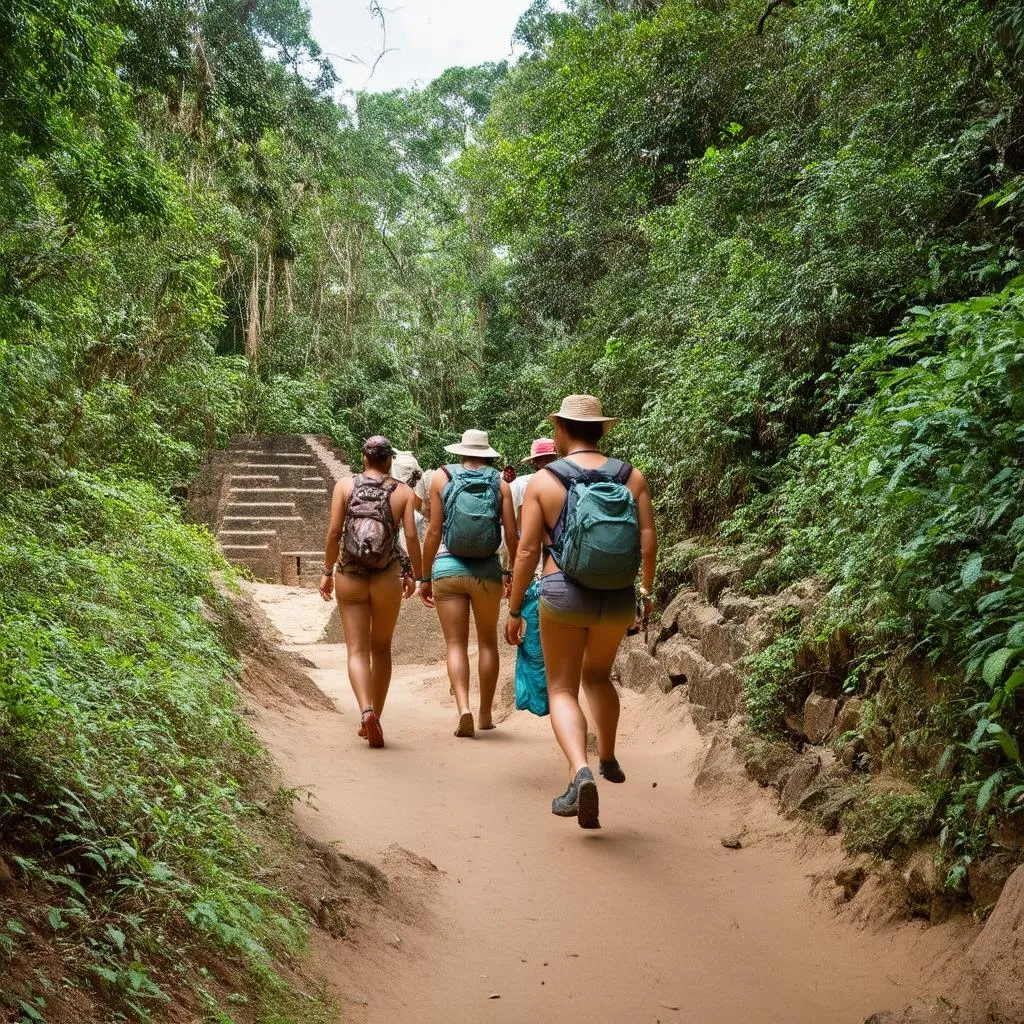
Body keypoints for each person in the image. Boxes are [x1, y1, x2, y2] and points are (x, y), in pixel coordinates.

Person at [505, 396, 657, 829]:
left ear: (561, 429)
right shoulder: (633, 478)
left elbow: (528, 551)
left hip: (562, 594)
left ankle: (579, 770)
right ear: (602, 430)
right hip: (617, 599)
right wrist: (645, 592)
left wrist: (515, 609)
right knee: (598, 676)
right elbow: (648, 543)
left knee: (562, 689)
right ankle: (607, 755)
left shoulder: (545, 482)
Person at [320, 436, 422, 748]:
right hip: (386, 577)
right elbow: (410, 536)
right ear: (389, 460)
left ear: (364, 458)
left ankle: (365, 712)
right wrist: (416, 575)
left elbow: (335, 532)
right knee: (381, 648)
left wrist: (326, 572)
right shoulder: (403, 492)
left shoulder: (344, 487)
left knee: (357, 651)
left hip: (349, 575)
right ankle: (376, 713)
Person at [420, 429, 519, 737]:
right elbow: (511, 536)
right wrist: (513, 573)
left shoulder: (441, 477)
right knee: (488, 643)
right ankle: (485, 714)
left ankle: (462, 707)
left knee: (455, 644)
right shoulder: (501, 483)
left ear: (460, 452)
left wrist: (424, 575)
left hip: (448, 568)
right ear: (488, 453)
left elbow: (433, 531)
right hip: (487, 572)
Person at [510, 439, 559, 717]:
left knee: (535, 643)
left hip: (539, 576)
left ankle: (543, 701)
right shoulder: (572, 479)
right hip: (574, 576)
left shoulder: (522, 486)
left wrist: (513, 598)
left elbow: (522, 543)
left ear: (535, 460)